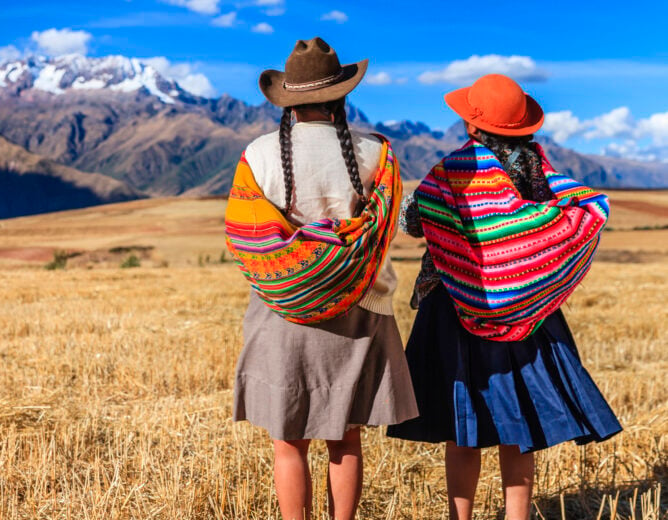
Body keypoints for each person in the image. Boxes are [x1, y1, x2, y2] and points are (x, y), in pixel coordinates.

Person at [387, 74, 622, 520]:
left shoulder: (453, 169)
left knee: (464, 426)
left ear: (472, 126)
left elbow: (416, 221)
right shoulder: (539, 169)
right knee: (519, 425)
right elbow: (570, 212)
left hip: (453, 308)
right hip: (527, 314)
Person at [224, 37, 418, 520]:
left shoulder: (258, 154)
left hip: (280, 311)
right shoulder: (376, 155)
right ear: (341, 96)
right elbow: (392, 224)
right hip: (361, 311)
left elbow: (243, 235)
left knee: (288, 441)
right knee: (345, 436)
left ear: (288, 100)